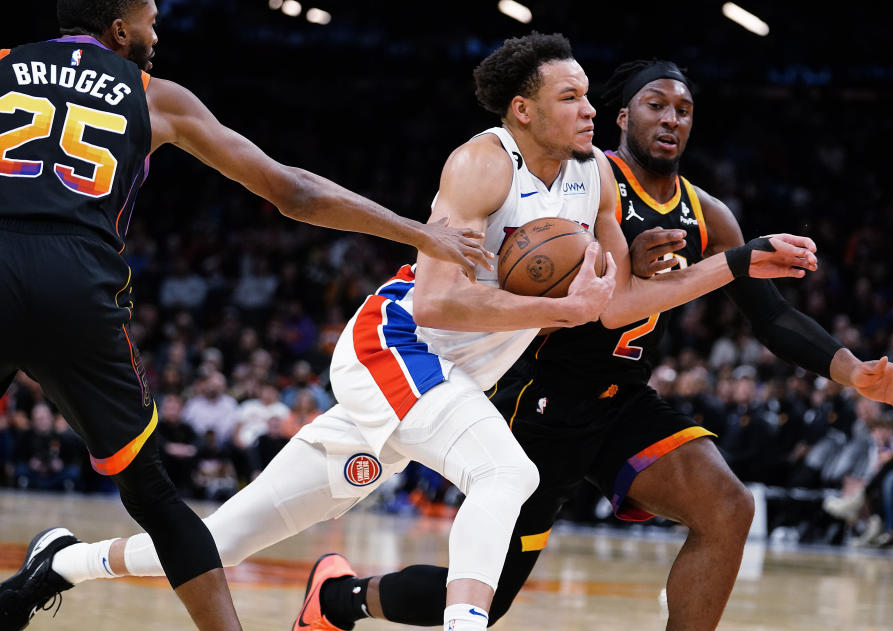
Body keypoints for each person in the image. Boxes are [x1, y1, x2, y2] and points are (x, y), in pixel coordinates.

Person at [13, 34, 819, 631]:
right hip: (394, 347)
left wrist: (740, 261)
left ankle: (60, 562)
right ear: (524, 109)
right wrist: (554, 308)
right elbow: (432, 305)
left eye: (587, 96)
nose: (588, 109)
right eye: (571, 97)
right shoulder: (483, 163)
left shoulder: (594, 181)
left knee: (215, 540)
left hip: (446, 384)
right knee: (505, 474)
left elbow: (616, 304)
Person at [299, 58, 893, 631]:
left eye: (684, 109)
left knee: (727, 508)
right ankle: (339, 600)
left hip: (622, 400)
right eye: (656, 104)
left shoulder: (708, 213)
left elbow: (768, 314)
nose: (672, 118)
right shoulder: (581, 176)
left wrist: (853, 370)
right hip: (536, 396)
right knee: (488, 601)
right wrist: (620, 260)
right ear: (621, 116)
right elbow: (551, 269)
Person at [0, 0, 493, 629]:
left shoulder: (5, 65)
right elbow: (292, 191)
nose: (158, 31)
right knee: (153, 496)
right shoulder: (157, 96)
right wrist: (418, 232)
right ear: (120, 31)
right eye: (151, 19)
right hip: (76, 279)